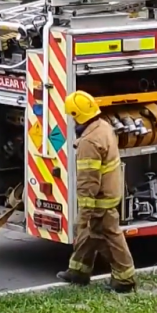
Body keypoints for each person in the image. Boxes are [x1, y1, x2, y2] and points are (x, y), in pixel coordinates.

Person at [57, 90, 136, 293]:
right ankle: (78, 271)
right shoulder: (103, 127)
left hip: (99, 199)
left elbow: (88, 180)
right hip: (109, 192)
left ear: (77, 116)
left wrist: (85, 209)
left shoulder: (88, 142)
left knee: (107, 235)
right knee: (89, 234)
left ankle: (124, 279)